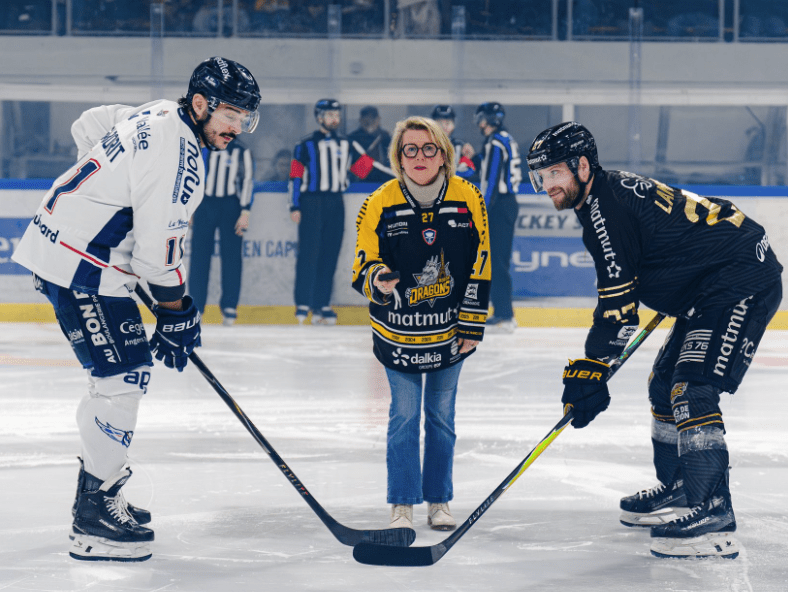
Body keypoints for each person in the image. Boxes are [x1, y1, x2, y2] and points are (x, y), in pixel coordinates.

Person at [11, 57, 261, 562]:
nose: (237, 127)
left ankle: (99, 490)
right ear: (200, 104)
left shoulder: (154, 114)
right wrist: (177, 311)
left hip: (70, 250)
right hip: (81, 264)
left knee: (119, 375)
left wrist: (101, 197)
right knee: (122, 376)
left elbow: (90, 125)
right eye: (230, 114)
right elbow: (156, 253)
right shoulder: (179, 152)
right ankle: (94, 515)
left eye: (245, 117)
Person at [525, 121, 783, 559]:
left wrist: (590, 369)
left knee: (693, 389)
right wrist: (681, 274)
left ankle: (714, 510)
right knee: (663, 385)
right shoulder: (606, 195)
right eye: (540, 177)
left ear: (582, 166)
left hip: (741, 281)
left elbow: (618, 307)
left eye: (554, 173)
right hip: (710, 285)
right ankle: (683, 488)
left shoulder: (605, 209)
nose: (546, 185)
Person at [351, 116, 491, 531]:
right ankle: (402, 503)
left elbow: (481, 262)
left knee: (441, 419)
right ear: (398, 157)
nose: (419, 157)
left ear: (444, 153)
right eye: (409, 149)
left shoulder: (470, 198)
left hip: (450, 332)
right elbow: (362, 258)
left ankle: (439, 500)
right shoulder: (379, 200)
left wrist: (471, 324)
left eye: (428, 148)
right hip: (397, 333)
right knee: (405, 417)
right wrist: (377, 277)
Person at [289, 98, 381, 325]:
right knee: (308, 254)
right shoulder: (304, 145)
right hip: (311, 202)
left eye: (337, 115)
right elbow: (295, 176)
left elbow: (364, 170)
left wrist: (384, 152)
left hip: (335, 203)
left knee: (330, 254)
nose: (335, 119)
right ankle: (303, 303)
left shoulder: (346, 144)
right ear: (319, 117)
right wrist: (294, 204)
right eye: (330, 115)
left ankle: (322, 304)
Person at [188, 139, 255, 326]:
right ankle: (196, 306)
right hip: (204, 203)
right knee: (199, 257)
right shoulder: (203, 148)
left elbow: (248, 180)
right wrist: (190, 207)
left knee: (232, 256)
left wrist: (245, 211)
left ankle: (229, 306)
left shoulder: (241, 150)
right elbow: (192, 175)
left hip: (231, 206)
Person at [474, 102, 522, 333]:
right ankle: (502, 311)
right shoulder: (506, 138)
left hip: (499, 205)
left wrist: (484, 207)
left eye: (482, 118)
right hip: (507, 204)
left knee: (496, 262)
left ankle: (504, 313)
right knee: (497, 260)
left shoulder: (495, 142)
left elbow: (492, 180)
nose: (480, 123)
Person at [348, 105, 395, 184]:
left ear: (378, 120)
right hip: (358, 185)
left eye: (373, 119)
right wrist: (368, 159)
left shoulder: (386, 138)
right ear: (360, 120)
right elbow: (350, 170)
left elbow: (392, 164)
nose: (369, 122)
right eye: (366, 120)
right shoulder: (352, 139)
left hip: (384, 182)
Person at [430, 105, 477, 182]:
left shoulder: (460, 147)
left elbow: (470, 171)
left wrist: (466, 160)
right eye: (439, 123)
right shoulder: (425, 146)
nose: (443, 127)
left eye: (447, 123)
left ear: (453, 125)